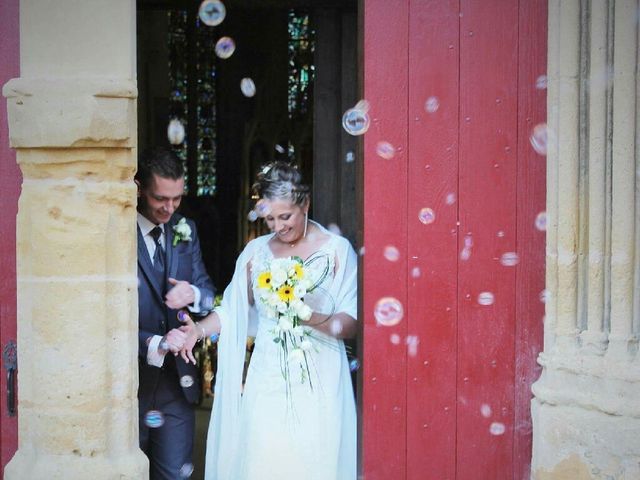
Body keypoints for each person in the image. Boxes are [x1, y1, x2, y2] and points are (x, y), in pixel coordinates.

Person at [179, 162, 358, 480]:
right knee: (264, 459)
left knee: (313, 462)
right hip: (268, 378)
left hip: (321, 379)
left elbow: (350, 322)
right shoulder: (255, 252)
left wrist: (303, 312)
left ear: (304, 204)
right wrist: (198, 329)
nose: (278, 227)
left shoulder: (337, 251)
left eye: (285, 216)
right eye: (270, 219)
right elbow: (232, 311)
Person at [136, 147, 215, 479]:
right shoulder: (111, 231)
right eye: (160, 199)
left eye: (177, 199)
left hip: (176, 386)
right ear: (139, 188)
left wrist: (193, 293)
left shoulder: (187, 229)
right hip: (128, 384)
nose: (169, 208)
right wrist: (155, 342)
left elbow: (208, 293)